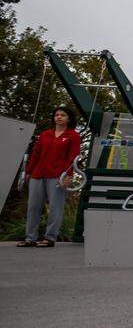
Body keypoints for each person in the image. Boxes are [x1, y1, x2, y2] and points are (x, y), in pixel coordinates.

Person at [19, 106, 82, 248]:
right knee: (33, 207)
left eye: (63, 115)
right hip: (37, 174)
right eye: (57, 115)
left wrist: (68, 175)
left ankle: (50, 238)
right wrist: (28, 171)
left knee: (55, 208)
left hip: (58, 176)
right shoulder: (45, 134)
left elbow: (73, 158)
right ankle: (30, 238)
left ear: (69, 118)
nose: (59, 117)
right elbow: (36, 154)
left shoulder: (73, 136)